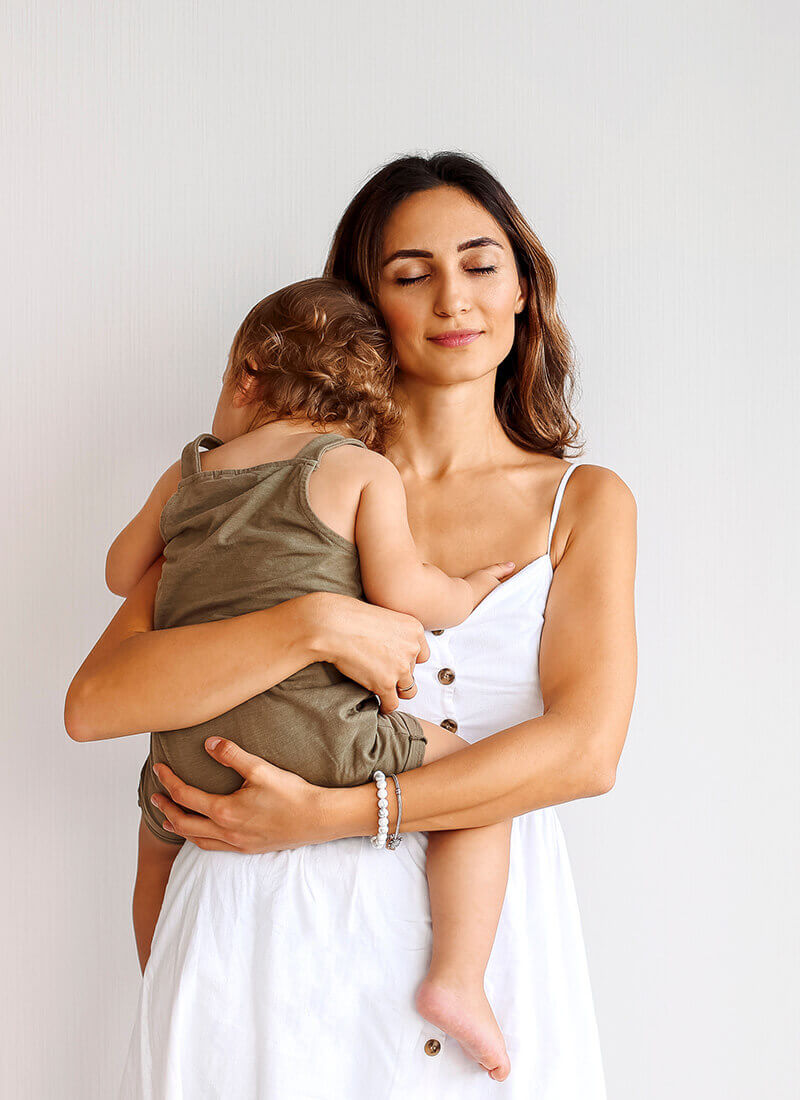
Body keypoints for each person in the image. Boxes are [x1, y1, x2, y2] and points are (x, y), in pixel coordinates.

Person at [65, 151, 637, 1099]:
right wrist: (313, 623)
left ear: (526, 289)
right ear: (367, 309)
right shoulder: (269, 482)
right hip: (260, 937)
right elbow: (96, 703)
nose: (454, 298)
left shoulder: (586, 502)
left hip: (487, 957)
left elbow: (585, 754)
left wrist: (328, 814)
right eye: (411, 274)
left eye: (481, 263)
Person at [106, 276, 517, 1080]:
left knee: (158, 847)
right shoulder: (360, 471)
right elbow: (406, 593)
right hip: (318, 735)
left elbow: (123, 571)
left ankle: (167, 987)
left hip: (188, 749)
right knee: (475, 779)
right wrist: (465, 590)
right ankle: (459, 980)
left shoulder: (191, 470)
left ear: (246, 374)